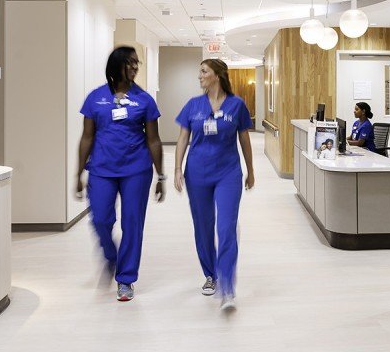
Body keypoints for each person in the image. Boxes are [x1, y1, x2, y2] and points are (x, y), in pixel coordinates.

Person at [75, 46, 166, 302]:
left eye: (137, 63)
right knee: (101, 220)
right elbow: (87, 136)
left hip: (136, 170)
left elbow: (154, 140)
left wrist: (161, 176)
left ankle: (126, 279)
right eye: (130, 63)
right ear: (117, 65)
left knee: (132, 224)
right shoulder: (95, 98)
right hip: (102, 170)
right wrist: (77, 174)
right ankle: (111, 256)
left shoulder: (145, 100)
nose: (135, 67)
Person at [174, 59, 255, 312]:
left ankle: (228, 286)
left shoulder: (237, 104)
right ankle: (211, 274)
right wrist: (177, 168)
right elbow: (183, 138)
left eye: (203, 71)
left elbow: (244, 139)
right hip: (197, 174)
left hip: (228, 173)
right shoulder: (193, 105)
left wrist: (250, 170)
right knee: (203, 226)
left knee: (226, 226)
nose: (199, 76)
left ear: (217, 75)